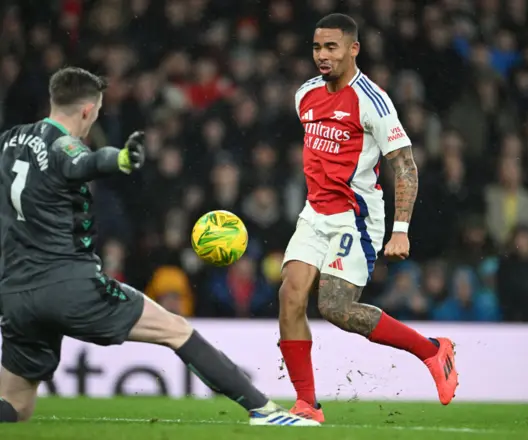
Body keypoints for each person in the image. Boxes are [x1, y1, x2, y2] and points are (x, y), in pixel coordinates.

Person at [0, 67, 318, 427]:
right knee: (176, 329)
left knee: (15, 406)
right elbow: (82, 160)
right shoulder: (66, 145)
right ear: (88, 110)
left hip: (15, 292)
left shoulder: (11, 140)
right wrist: (118, 159)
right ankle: (264, 410)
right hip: (68, 284)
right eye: (99, 111)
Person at [278, 13, 458, 423]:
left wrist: (401, 230)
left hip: (354, 219)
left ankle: (431, 350)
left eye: (331, 47)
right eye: (316, 47)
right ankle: (307, 404)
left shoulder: (373, 102)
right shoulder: (305, 94)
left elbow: (406, 165)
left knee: (336, 308)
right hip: (314, 213)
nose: (322, 56)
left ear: (353, 49)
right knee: (290, 296)